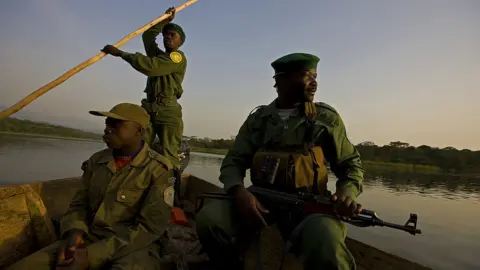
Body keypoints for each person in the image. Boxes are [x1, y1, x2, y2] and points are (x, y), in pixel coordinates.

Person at [195, 53, 365, 270]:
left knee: (326, 242)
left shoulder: (325, 118)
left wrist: (347, 194)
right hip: (260, 200)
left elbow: (350, 166)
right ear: (281, 80)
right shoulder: (258, 120)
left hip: (309, 205)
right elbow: (233, 162)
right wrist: (240, 193)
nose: (315, 83)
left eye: (316, 76)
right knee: (210, 221)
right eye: (306, 76)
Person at [7, 103, 175, 270]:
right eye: (107, 124)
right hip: (90, 236)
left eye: (116, 125)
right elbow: (79, 205)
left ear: (139, 131)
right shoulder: (97, 161)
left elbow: (149, 229)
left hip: (134, 246)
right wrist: (74, 233)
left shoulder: (159, 169)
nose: (107, 129)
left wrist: (91, 256)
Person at [101, 7, 186, 173]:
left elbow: (151, 67)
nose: (167, 37)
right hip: (149, 108)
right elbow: (147, 37)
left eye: (172, 35)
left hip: (167, 111)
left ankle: (171, 194)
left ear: (180, 42)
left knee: (169, 154)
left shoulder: (178, 58)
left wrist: (121, 54)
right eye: (165, 35)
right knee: (137, 147)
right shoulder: (159, 55)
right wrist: (164, 21)